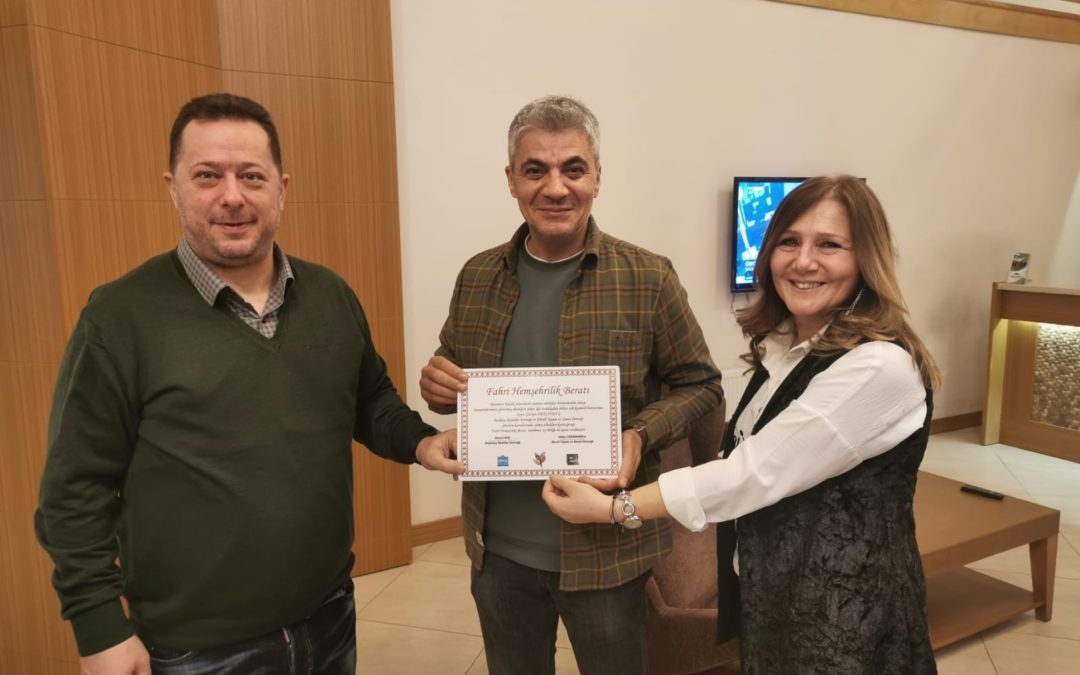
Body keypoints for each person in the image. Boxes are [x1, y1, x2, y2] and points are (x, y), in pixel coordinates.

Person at [34, 93, 465, 675]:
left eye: (251, 176)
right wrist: (99, 627)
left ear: (281, 189)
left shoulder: (331, 296)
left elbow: (369, 400)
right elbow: (73, 489)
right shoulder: (117, 319)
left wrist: (421, 442)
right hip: (196, 649)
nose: (232, 196)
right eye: (207, 175)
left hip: (329, 617)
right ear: (173, 187)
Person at [544, 175, 941, 674]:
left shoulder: (879, 366)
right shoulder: (784, 350)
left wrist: (613, 509)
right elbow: (739, 455)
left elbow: (750, 474)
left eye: (830, 245)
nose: (803, 261)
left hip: (846, 618)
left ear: (866, 258)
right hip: (776, 598)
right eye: (789, 242)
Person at [419, 95, 723, 675]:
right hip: (498, 551)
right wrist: (438, 382)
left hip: (607, 553)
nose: (555, 188)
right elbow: (453, 371)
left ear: (597, 178)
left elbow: (701, 385)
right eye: (535, 170)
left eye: (573, 169)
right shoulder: (477, 276)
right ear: (511, 179)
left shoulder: (647, 277)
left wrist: (638, 433)